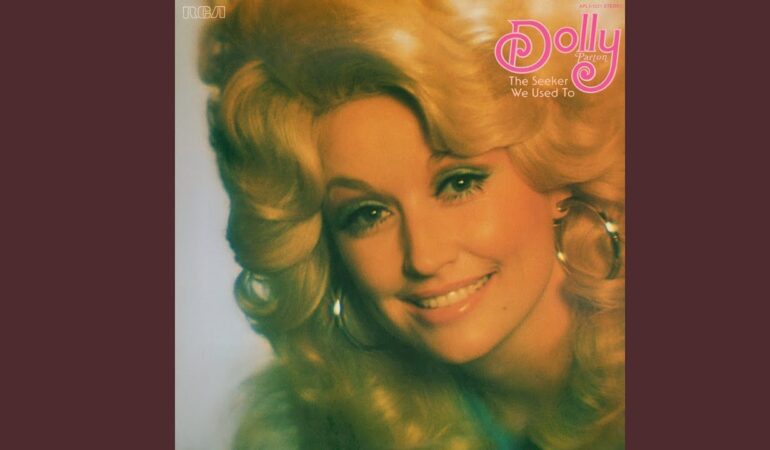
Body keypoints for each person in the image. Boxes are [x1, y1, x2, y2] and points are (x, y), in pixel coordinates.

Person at [199, 1, 625, 448]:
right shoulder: (307, 428)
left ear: (557, 172)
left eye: (459, 183)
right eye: (369, 213)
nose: (424, 257)